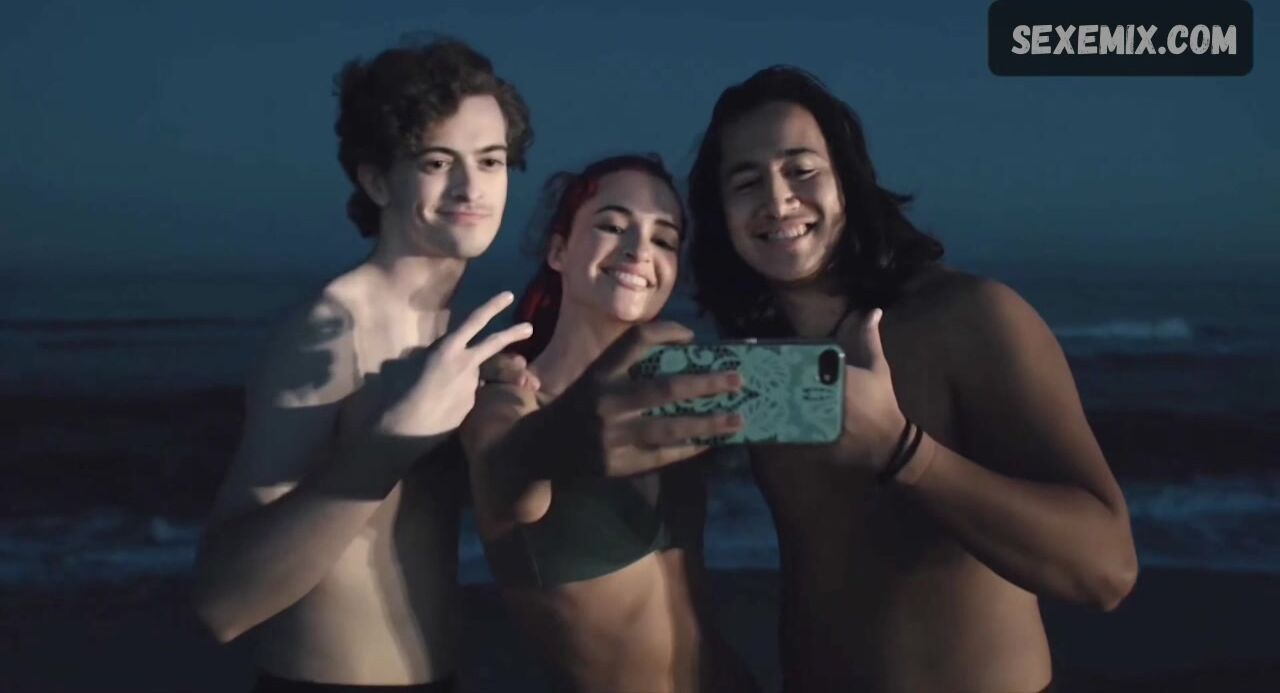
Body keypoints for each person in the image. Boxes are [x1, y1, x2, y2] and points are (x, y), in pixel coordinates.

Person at [685, 66, 1139, 692]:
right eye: (745, 181)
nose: (777, 199)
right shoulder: (765, 362)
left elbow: (1107, 571)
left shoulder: (967, 317)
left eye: (801, 169)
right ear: (722, 214)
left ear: (848, 181)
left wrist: (904, 451)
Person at [191, 38, 536, 692]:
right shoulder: (327, 330)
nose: (471, 187)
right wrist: (389, 443)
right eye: (437, 162)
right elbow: (222, 602)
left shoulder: (459, 329)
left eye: (491, 161)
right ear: (376, 180)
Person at [460, 154, 759, 692]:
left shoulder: (672, 395)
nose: (640, 249)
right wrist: (552, 439)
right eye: (613, 226)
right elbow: (508, 472)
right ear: (558, 250)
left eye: (664, 239)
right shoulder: (508, 397)